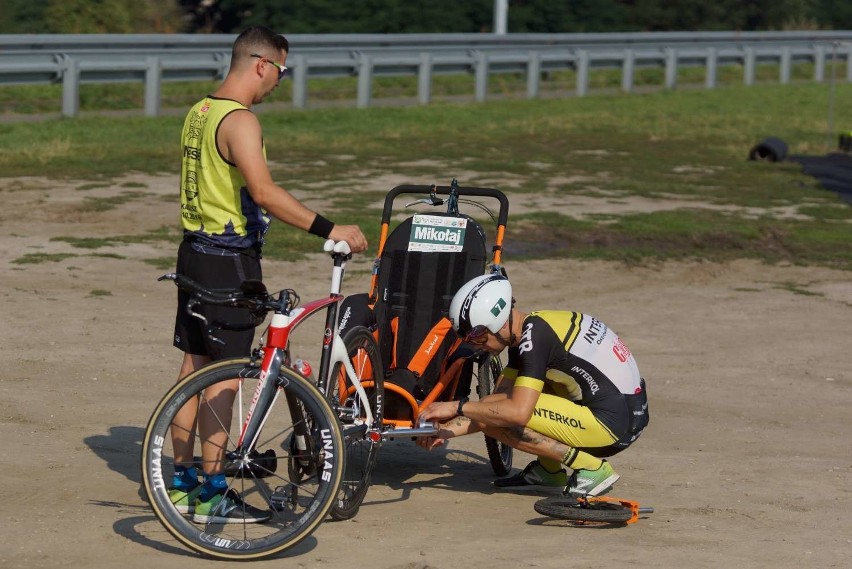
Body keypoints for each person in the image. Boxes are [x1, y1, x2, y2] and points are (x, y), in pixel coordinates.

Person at [167, 25, 368, 524]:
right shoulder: (240, 121)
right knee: (226, 377)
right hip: (227, 261)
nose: (280, 81)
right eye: (281, 70)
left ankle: (180, 481)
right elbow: (264, 193)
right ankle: (212, 491)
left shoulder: (200, 112)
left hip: (191, 253)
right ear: (261, 64)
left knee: (194, 366)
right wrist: (329, 226)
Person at [418, 274, 649, 497]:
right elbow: (495, 402)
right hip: (625, 412)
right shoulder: (532, 328)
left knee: (511, 411)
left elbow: (515, 413)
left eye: (477, 338)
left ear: (496, 322)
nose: (476, 346)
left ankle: (593, 469)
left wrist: (456, 406)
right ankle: (549, 472)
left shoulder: (534, 341)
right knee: (496, 407)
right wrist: (445, 430)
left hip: (614, 426)